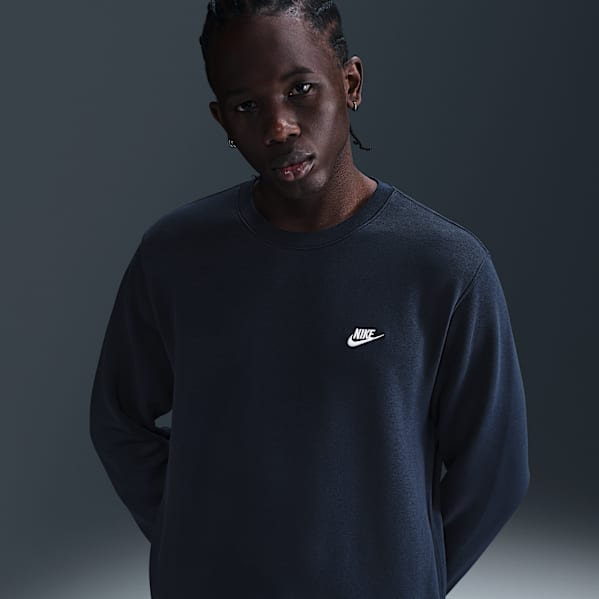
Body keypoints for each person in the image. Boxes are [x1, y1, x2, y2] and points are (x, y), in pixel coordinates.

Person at [89, 1, 530, 598]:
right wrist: (188, 538)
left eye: (300, 89)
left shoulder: (445, 267)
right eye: (247, 106)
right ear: (222, 119)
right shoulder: (174, 255)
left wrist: (403, 577)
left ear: (351, 83)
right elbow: (117, 418)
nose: (279, 128)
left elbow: (496, 469)